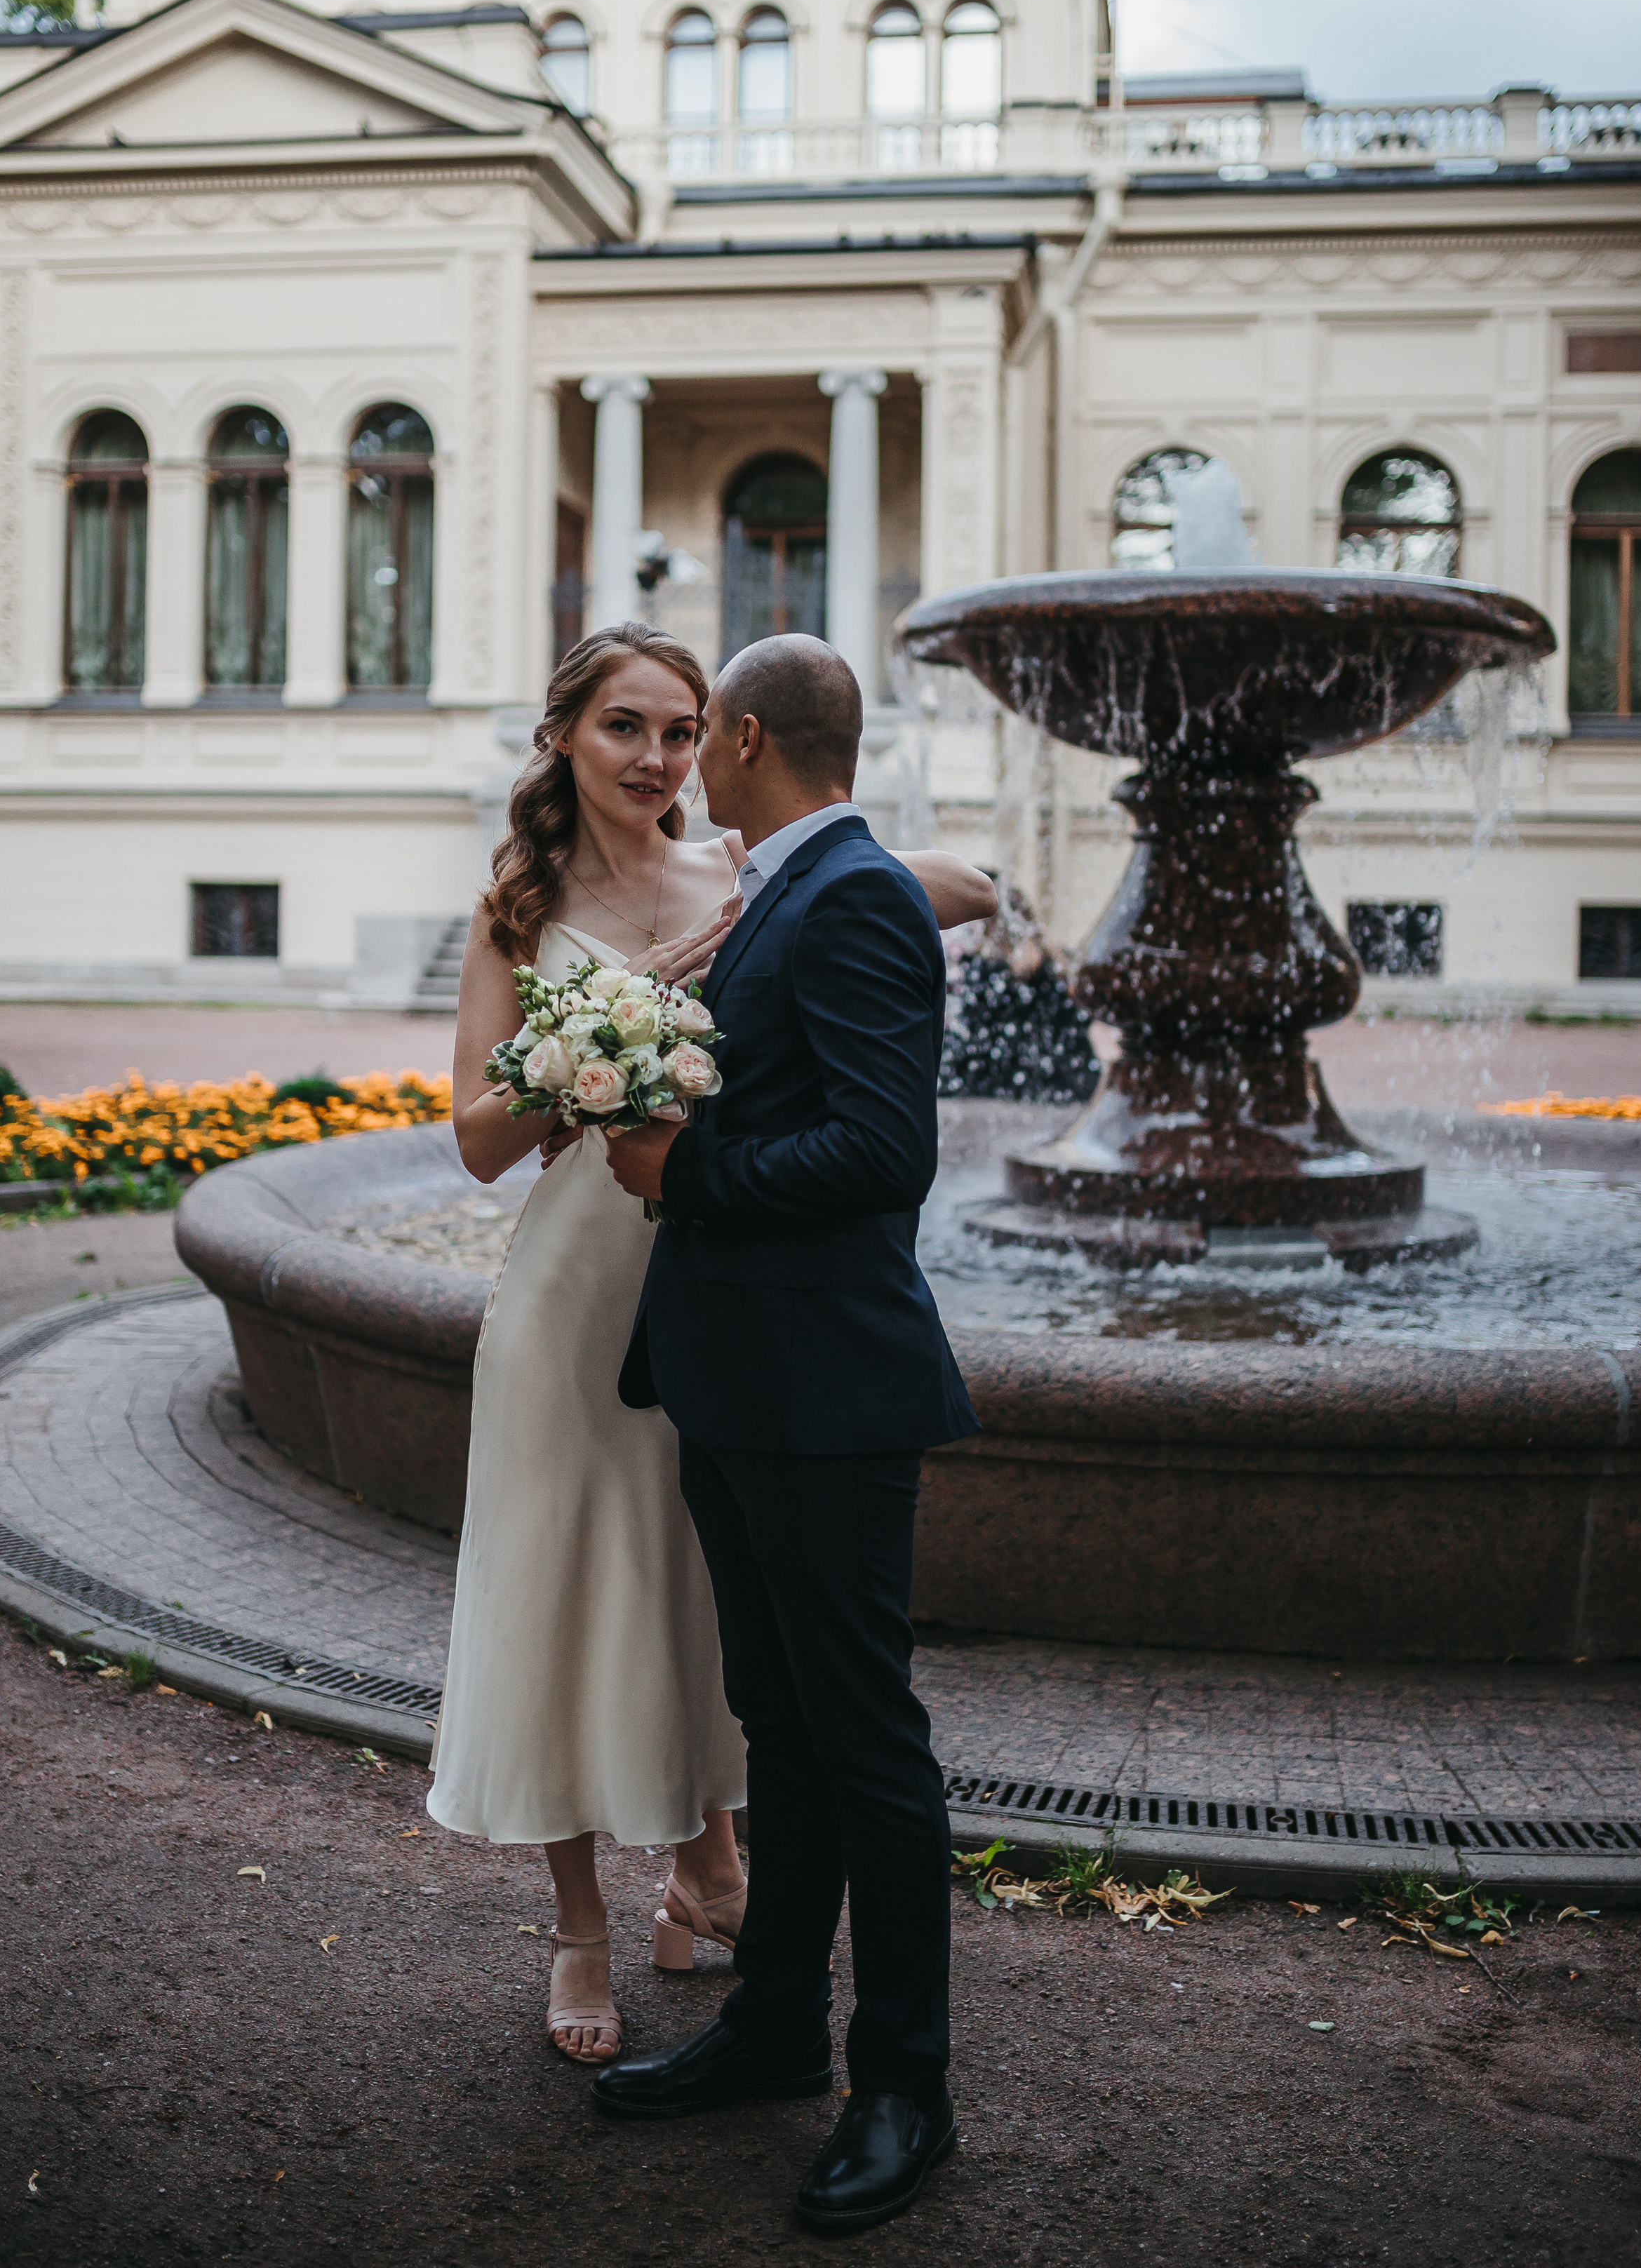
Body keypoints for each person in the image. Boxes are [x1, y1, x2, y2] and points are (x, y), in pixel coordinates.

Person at [426, 622, 994, 2070]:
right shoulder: (515, 902)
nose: (655, 759)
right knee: (563, 1585)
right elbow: (481, 1141)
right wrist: (599, 1036)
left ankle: (709, 1875)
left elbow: (950, 886)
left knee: (709, 1599)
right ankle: (580, 1925)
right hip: (577, 1281)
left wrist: (747, 912)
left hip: (724, 1282)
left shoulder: (747, 870)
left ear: (723, 744)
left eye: (681, 731)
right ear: (565, 735)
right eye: (626, 727)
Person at [594, 633, 979, 2237]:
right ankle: (771, 2030)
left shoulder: (858, 895)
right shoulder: (782, 890)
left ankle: (902, 2087)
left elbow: (881, 1154)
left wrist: (683, 1176)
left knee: (863, 1742)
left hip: (826, 1394)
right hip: (739, 1381)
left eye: (705, 737)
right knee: (785, 1726)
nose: (690, 762)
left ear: (745, 736)